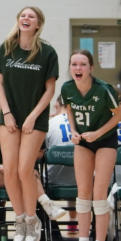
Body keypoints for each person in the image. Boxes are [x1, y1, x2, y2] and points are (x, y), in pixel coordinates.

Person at [0, 6, 59, 241]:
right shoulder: (7, 48)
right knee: (9, 172)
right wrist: (6, 114)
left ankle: (32, 220)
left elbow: (50, 90)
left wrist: (32, 116)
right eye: (23, 15)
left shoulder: (47, 52)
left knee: (24, 169)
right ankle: (19, 221)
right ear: (18, 20)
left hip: (35, 118)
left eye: (32, 16)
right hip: (9, 117)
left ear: (38, 24)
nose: (26, 18)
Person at [61, 50, 121, 241]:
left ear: (91, 68)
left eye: (83, 64)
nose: (78, 68)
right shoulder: (67, 88)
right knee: (83, 195)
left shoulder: (103, 89)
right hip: (83, 141)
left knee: (99, 195)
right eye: (74, 64)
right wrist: (73, 131)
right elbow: (69, 109)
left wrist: (97, 133)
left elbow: (119, 115)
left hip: (105, 140)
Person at [45, 97, 77, 229]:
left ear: (57, 105)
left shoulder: (49, 124)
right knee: (75, 169)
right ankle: (73, 222)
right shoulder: (80, 124)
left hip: (53, 180)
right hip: (80, 182)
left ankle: (50, 227)